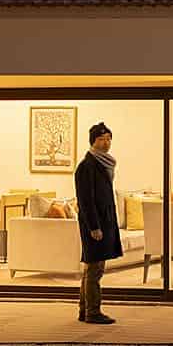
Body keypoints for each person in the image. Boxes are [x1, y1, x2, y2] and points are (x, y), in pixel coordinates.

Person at [73, 121, 121, 324]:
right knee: (95, 269)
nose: (106, 143)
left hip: (103, 222)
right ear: (93, 141)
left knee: (91, 267)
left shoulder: (103, 164)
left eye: (109, 138)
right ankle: (93, 312)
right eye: (101, 139)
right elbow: (85, 200)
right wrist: (94, 226)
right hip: (95, 225)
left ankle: (85, 310)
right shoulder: (87, 166)